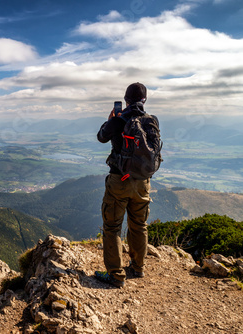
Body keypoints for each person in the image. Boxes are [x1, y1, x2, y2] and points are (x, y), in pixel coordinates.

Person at [95, 82, 153, 288]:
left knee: (112, 227)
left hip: (119, 180)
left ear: (126, 100)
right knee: (139, 225)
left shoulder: (119, 120)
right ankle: (137, 267)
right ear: (144, 100)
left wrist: (111, 119)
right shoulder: (150, 121)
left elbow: (101, 137)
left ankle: (116, 275)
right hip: (143, 183)